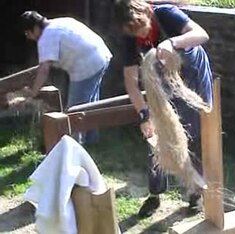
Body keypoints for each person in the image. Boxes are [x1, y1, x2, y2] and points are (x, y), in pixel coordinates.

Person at [111, 0, 214, 218]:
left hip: (192, 74)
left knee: (193, 132)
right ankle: (155, 194)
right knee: (155, 136)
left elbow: (201, 34)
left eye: (141, 27)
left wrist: (173, 43)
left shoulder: (166, 14)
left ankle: (196, 193)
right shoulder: (131, 35)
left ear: (147, 12)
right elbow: (131, 80)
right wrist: (144, 114)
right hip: (162, 77)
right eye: (133, 31)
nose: (139, 35)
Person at [20, 11, 113, 144]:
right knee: (91, 104)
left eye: (28, 33)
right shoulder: (61, 21)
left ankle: (75, 147)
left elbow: (44, 70)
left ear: (35, 28)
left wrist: (33, 92)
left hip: (87, 65)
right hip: (101, 55)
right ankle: (92, 140)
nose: (29, 38)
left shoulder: (46, 38)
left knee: (74, 111)